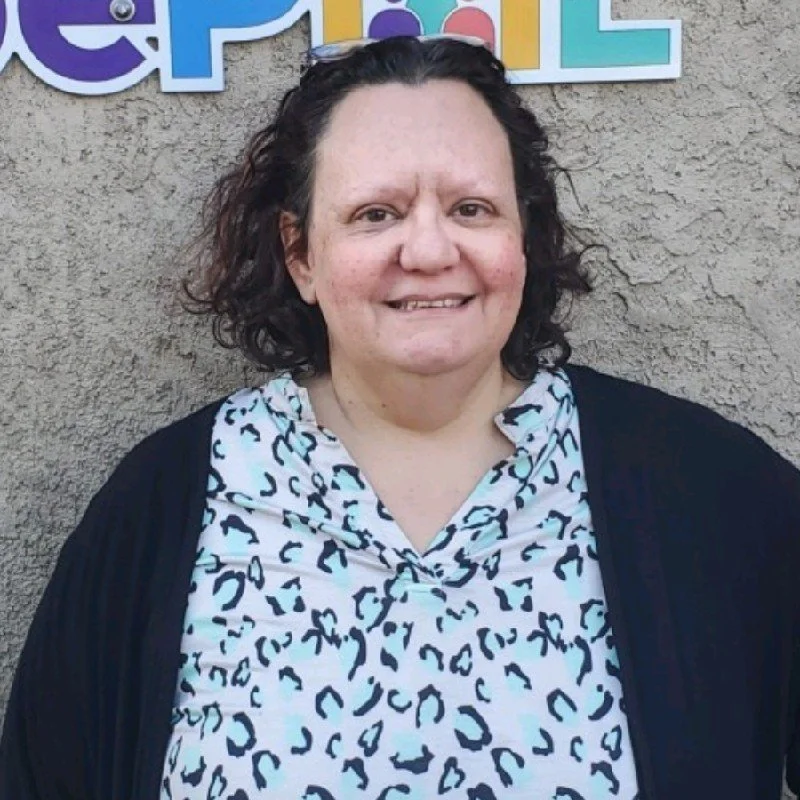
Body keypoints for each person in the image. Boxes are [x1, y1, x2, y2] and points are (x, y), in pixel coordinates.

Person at [1, 35, 799, 800]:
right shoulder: (167, 501)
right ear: (301, 254)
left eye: (473, 208)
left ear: (524, 235)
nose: (427, 250)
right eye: (376, 213)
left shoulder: (712, 493)